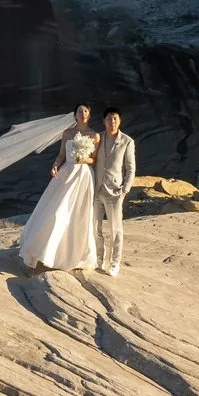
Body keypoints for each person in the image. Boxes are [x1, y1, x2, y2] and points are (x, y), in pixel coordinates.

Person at [16, 106, 101, 272]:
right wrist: (55, 165)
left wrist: (85, 159)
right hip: (66, 173)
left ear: (89, 115)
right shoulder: (67, 134)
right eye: (79, 111)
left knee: (78, 214)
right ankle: (47, 252)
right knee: (56, 211)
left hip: (83, 177)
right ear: (75, 115)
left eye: (85, 111)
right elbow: (61, 155)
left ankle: (72, 256)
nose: (82, 114)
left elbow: (94, 160)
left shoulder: (95, 135)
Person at [91, 109, 136, 276]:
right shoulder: (97, 138)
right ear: (104, 121)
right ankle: (99, 258)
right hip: (97, 190)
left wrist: (125, 190)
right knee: (95, 227)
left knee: (115, 229)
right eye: (109, 119)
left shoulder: (127, 141)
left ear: (120, 121)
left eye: (115, 118)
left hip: (115, 192)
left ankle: (115, 263)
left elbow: (130, 168)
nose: (112, 122)